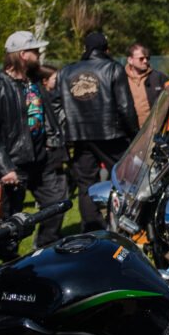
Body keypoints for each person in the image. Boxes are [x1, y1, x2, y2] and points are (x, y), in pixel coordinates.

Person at [54, 31, 138, 231]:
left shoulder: (65, 72)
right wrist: (135, 134)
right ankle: (129, 224)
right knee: (126, 180)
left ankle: (92, 229)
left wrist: (68, 131)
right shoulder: (113, 68)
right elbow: (125, 107)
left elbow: (56, 106)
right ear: (105, 49)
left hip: (80, 137)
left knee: (86, 185)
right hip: (111, 135)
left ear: (86, 49)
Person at [0, 32, 67, 259]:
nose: (39, 54)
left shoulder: (34, 81)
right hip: (14, 165)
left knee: (56, 205)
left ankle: (43, 251)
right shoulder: (1, 85)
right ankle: (9, 265)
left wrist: (52, 142)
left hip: (41, 160)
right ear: (22, 54)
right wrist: (5, 168)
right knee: (10, 223)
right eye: (35, 51)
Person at [125, 43, 168, 127]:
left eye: (147, 58)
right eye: (141, 59)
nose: (145, 61)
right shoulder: (122, 79)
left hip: (153, 129)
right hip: (129, 130)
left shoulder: (159, 78)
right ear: (130, 60)